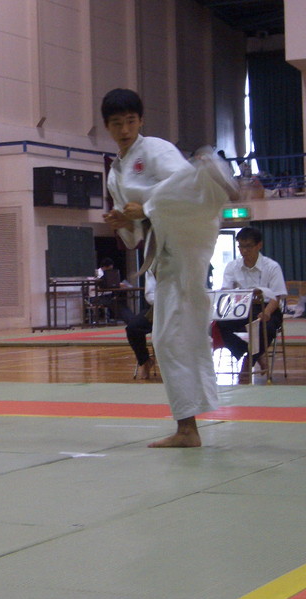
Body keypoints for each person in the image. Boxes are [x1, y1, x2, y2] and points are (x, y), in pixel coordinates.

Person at [101, 88, 236, 448]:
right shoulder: (115, 174)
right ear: (107, 127)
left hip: (187, 232)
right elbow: (134, 236)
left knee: (171, 337)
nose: (125, 129)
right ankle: (188, 427)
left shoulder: (155, 149)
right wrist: (123, 221)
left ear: (141, 121)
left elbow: (179, 190)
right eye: (117, 123)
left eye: (131, 121)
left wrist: (145, 207)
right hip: (167, 252)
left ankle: (209, 180)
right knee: (173, 337)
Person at [217, 226, 287, 381]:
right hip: (241, 308)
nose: (244, 251)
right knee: (220, 324)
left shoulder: (272, 266)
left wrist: (267, 312)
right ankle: (256, 354)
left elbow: (277, 296)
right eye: (241, 246)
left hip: (267, 308)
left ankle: (249, 361)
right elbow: (226, 292)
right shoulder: (232, 266)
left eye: (248, 246)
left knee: (266, 327)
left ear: (259, 245)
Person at [126, 273, 155, 379]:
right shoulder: (152, 268)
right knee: (133, 328)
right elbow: (150, 295)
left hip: (181, 309)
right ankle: (144, 361)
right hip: (156, 307)